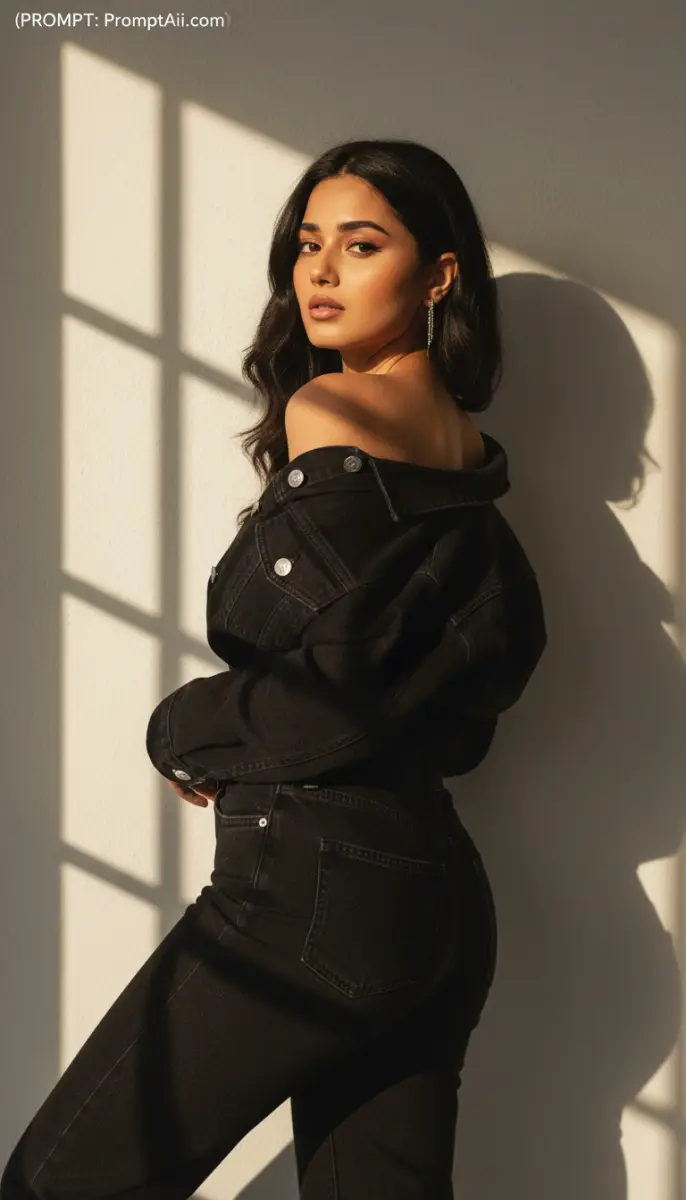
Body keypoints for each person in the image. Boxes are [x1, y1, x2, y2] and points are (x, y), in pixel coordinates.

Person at [1, 138, 547, 1199]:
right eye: (307, 244)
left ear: (438, 275)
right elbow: (414, 694)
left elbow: (324, 701)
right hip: (437, 901)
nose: (321, 272)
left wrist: (178, 727)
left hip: (314, 889)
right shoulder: (468, 460)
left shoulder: (330, 412)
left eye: (361, 242)